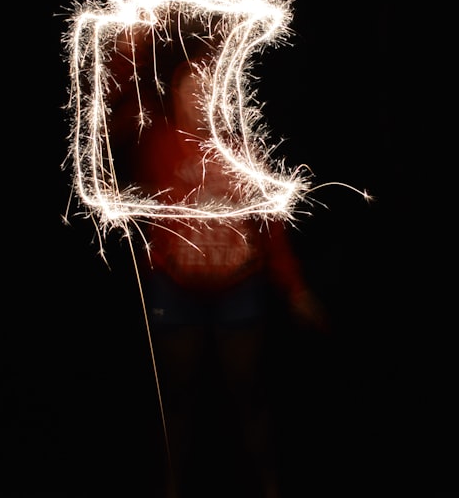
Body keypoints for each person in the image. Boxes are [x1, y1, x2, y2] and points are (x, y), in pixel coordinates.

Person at [128, 54, 328, 498]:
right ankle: (173, 484)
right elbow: (142, 212)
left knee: (250, 397)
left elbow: (270, 229)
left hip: (240, 290)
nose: (199, 99)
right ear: (173, 99)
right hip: (176, 293)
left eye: (207, 90)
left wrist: (295, 289)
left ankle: (268, 485)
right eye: (189, 90)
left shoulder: (244, 151)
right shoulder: (156, 143)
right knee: (176, 402)